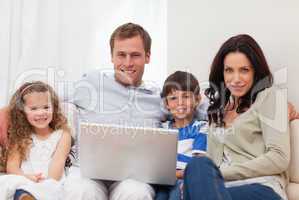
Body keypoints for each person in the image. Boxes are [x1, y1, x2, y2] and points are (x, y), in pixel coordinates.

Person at [62, 22, 165, 200]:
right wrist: (9, 109)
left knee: (136, 193)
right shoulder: (92, 83)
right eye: (121, 55)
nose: (127, 63)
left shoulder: (159, 99)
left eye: (135, 55)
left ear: (147, 57)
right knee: (81, 191)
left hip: (133, 176)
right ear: (112, 57)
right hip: (88, 172)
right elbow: (45, 95)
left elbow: (197, 110)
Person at [182, 34, 290, 200]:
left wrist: (219, 174)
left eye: (244, 70)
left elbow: (279, 158)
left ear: (256, 71)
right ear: (222, 73)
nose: (236, 79)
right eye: (229, 70)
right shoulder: (218, 109)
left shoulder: (270, 97)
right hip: (220, 191)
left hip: (260, 188)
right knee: (197, 165)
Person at [0, 81, 72, 200]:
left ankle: (31, 195)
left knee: (55, 188)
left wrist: (46, 183)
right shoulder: (20, 134)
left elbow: (57, 164)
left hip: (50, 180)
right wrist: (27, 177)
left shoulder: (63, 135)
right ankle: (25, 195)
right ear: (22, 112)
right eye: (33, 108)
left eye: (46, 107)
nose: (41, 113)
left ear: (54, 108)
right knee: (9, 181)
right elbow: (12, 167)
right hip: (24, 179)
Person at [155, 71, 208, 200]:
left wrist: (175, 175)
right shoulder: (162, 128)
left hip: (184, 179)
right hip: (163, 181)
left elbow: (198, 165)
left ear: (197, 100)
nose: (180, 103)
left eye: (186, 96)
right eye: (173, 98)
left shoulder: (201, 128)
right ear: (166, 104)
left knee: (177, 194)